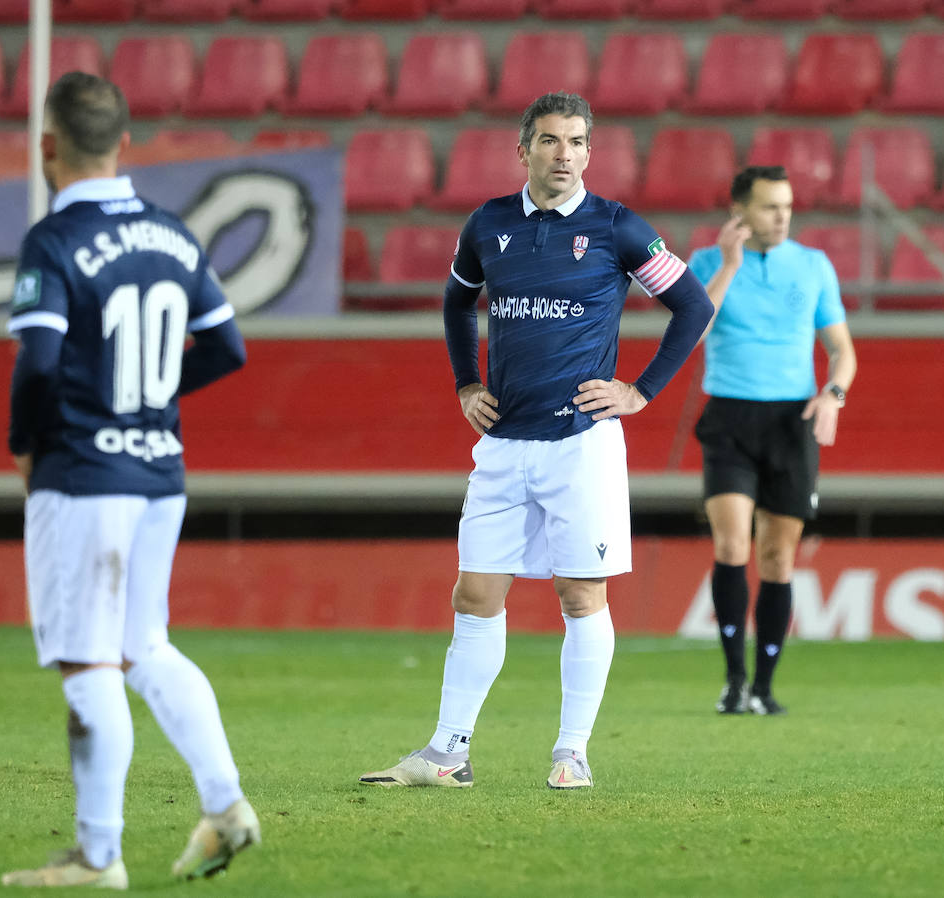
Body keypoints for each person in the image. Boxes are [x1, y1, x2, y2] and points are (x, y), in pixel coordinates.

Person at [359, 92, 714, 792]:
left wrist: (639, 392)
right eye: (550, 141)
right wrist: (466, 384)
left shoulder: (618, 228)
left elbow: (693, 304)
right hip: (503, 444)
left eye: (577, 141)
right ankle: (447, 753)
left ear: (590, 151)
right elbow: (458, 301)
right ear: (522, 151)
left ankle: (572, 751)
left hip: (580, 444)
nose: (564, 154)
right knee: (474, 593)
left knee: (581, 597)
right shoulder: (488, 224)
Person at [0, 72, 257, 890]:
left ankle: (98, 855)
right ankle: (225, 806)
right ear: (126, 146)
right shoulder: (173, 234)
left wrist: (24, 444)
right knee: (144, 644)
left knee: (88, 661)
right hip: (159, 472)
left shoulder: (53, 240)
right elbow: (228, 348)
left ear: (47, 147)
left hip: (83, 475)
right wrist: (146, 397)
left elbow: (37, 361)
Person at [688, 165, 857, 716]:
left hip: (792, 421)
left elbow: (841, 350)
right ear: (739, 210)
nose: (782, 216)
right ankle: (734, 682)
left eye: (786, 205)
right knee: (733, 545)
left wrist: (833, 394)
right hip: (730, 418)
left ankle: (764, 687)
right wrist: (731, 265)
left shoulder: (812, 265)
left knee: (778, 556)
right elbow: (693, 330)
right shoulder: (706, 262)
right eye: (768, 206)